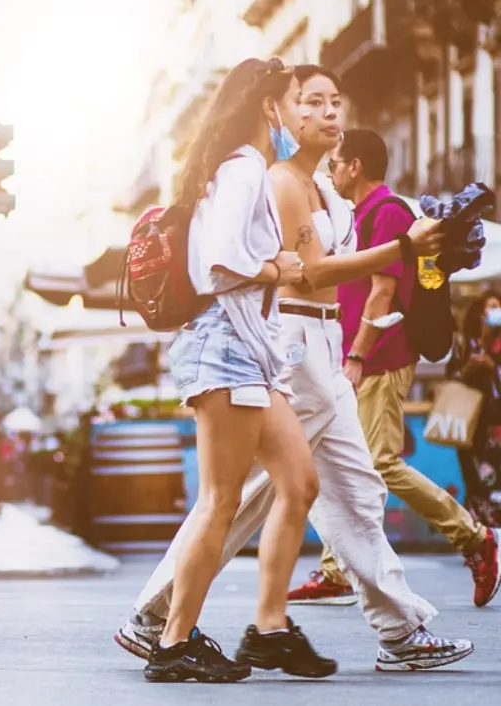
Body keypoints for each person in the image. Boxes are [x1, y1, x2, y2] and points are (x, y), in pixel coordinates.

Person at [116, 64, 472, 674]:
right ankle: (166, 627)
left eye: (336, 100)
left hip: (283, 347)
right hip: (281, 340)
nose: (328, 113)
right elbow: (256, 264)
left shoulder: (316, 185)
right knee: (238, 496)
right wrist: (285, 265)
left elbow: (314, 259)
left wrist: (419, 251)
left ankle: (298, 628)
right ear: (276, 109)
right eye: (307, 101)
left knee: (313, 487)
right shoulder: (261, 173)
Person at [135, 57, 333, 684]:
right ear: (267, 108)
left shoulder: (234, 171)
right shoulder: (244, 169)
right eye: (293, 102)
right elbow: (220, 263)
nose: (298, 115)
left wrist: (271, 262)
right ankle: (172, 643)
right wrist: (281, 268)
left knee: (299, 481)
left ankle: (268, 629)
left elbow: (228, 254)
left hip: (248, 351)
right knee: (220, 501)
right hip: (227, 348)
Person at [289, 127, 501, 608]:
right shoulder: (361, 213)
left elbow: (383, 291)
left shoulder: (387, 214)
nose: (330, 171)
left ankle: (474, 537)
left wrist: (358, 356)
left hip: (380, 357)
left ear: (355, 166)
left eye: (335, 163)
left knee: (379, 462)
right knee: (335, 458)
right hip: (359, 356)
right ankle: (336, 570)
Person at [446, 291, 501, 528]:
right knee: (474, 477)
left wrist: (493, 368)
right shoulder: (464, 345)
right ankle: (479, 535)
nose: (495, 312)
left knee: (494, 477)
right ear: (479, 313)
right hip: (469, 423)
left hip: (495, 422)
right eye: (491, 307)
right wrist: (469, 368)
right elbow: (452, 377)